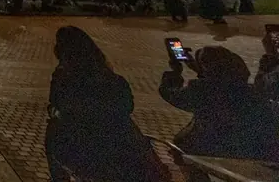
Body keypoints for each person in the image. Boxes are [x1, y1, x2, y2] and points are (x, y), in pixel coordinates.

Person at [46, 27, 166, 182]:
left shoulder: (65, 79)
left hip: (87, 150)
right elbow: (127, 107)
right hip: (126, 146)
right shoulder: (113, 79)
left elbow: (60, 106)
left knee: (53, 129)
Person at [159, 46, 278, 161]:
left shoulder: (203, 91)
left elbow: (170, 93)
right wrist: (197, 67)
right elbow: (221, 78)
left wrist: (175, 71)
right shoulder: (248, 91)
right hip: (248, 148)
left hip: (211, 148)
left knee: (181, 140)